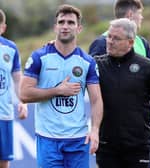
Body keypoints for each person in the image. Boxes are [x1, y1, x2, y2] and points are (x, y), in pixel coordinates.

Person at [19, 4, 103, 168]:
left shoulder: (87, 62)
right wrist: (58, 90)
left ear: (79, 28)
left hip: (78, 139)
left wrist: (95, 130)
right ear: (55, 27)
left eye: (71, 23)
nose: (65, 26)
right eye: (61, 22)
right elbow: (24, 94)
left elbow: (96, 100)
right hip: (48, 139)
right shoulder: (39, 57)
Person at [89, 0, 150, 165]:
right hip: (107, 145)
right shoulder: (96, 64)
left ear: (130, 42)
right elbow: (76, 71)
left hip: (138, 145)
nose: (109, 41)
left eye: (115, 39)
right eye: (109, 37)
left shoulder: (147, 67)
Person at [0, 9, 28, 168]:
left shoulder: (10, 48)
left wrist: (23, 102)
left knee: (4, 161)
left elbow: (18, 79)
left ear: (3, 28)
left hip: (4, 115)